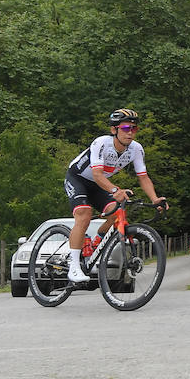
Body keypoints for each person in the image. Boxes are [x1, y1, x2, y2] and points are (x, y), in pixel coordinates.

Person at [62, 109, 168, 284]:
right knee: (84, 214)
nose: (130, 132)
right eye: (126, 127)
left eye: (134, 128)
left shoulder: (136, 149)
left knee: (115, 213)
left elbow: (143, 177)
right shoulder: (101, 143)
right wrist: (115, 191)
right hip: (78, 178)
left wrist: (155, 199)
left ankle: (95, 246)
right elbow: (97, 174)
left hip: (98, 184)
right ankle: (73, 265)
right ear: (114, 130)